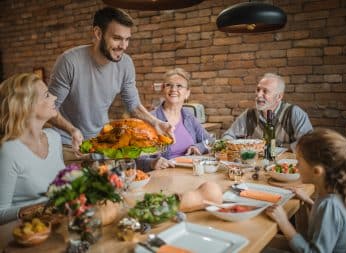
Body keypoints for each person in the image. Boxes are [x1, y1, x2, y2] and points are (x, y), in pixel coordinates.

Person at [48, 7, 173, 162]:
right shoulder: (69, 62)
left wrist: (156, 123)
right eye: (117, 38)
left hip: (103, 143)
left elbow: (133, 105)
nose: (124, 46)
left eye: (127, 39)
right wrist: (72, 130)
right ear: (98, 33)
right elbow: (48, 108)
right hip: (68, 145)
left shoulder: (126, 64)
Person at [265, 128, 346, 253]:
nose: (296, 166)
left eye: (299, 162)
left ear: (317, 171)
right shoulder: (338, 193)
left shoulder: (330, 206)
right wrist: (308, 201)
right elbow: (328, 222)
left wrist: (284, 223)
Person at [0, 73, 65, 224]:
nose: (54, 97)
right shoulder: (9, 151)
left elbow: (61, 185)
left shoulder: (54, 138)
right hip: (25, 235)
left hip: (59, 223)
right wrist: (42, 208)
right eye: (47, 95)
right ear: (27, 106)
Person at [137, 68, 210, 171]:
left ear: (187, 93)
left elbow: (210, 141)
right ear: (163, 89)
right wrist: (152, 163)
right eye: (169, 85)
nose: (173, 89)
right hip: (163, 176)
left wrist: (198, 147)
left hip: (190, 172)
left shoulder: (189, 117)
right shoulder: (151, 120)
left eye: (179, 86)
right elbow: (136, 158)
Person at [222, 73, 312, 151]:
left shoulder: (294, 113)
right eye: (258, 90)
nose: (258, 94)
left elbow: (308, 144)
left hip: (287, 167)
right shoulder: (249, 115)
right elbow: (228, 136)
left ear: (279, 97)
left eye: (265, 91)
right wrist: (239, 146)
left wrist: (279, 147)